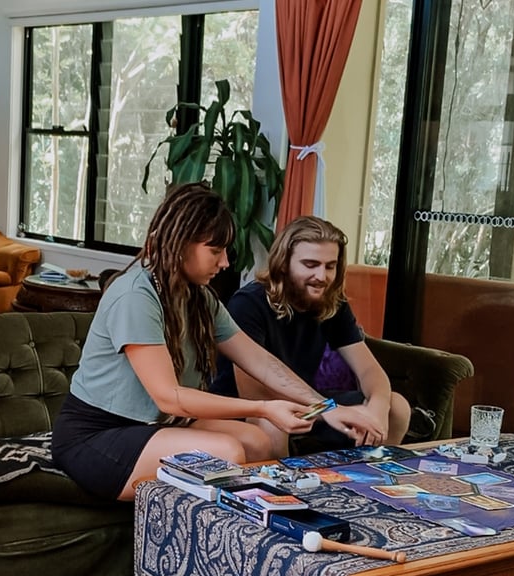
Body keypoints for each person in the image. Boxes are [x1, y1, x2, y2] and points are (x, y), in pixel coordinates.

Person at [51, 183, 383, 501]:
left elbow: (261, 363)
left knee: (256, 441)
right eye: (215, 250)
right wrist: (262, 407)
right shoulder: (136, 295)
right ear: (180, 244)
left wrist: (328, 409)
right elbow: (171, 398)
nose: (225, 262)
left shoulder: (199, 298)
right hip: (96, 435)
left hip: (155, 425)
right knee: (228, 452)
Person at [211, 215, 410, 457]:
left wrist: (378, 406)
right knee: (270, 424)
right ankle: (282, 492)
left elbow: (369, 370)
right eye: (310, 264)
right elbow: (254, 393)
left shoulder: (332, 303)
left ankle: (368, 483)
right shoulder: (248, 303)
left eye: (330, 266)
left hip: (308, 404)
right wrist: (326, 408)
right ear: (283, 263)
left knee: (396, 407)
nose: (322, 276)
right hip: (255, 408)